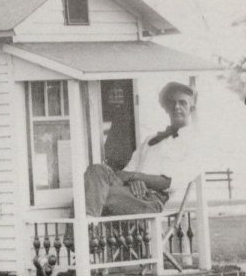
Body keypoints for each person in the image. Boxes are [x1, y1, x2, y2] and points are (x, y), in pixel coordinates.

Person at [83, 81, 203, 217]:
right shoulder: (150, 140)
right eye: (172, 102)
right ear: (166, 107)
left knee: (90, 196)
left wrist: (136, 177)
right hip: (129, 189)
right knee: (96, 170)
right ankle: (85, 230)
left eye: (182, 103)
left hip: (150, 198)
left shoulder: (194, 143)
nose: (176, 107)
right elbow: (126, 172)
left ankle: (81, 235)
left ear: (191, 109)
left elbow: (171, 182)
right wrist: (134, 179)